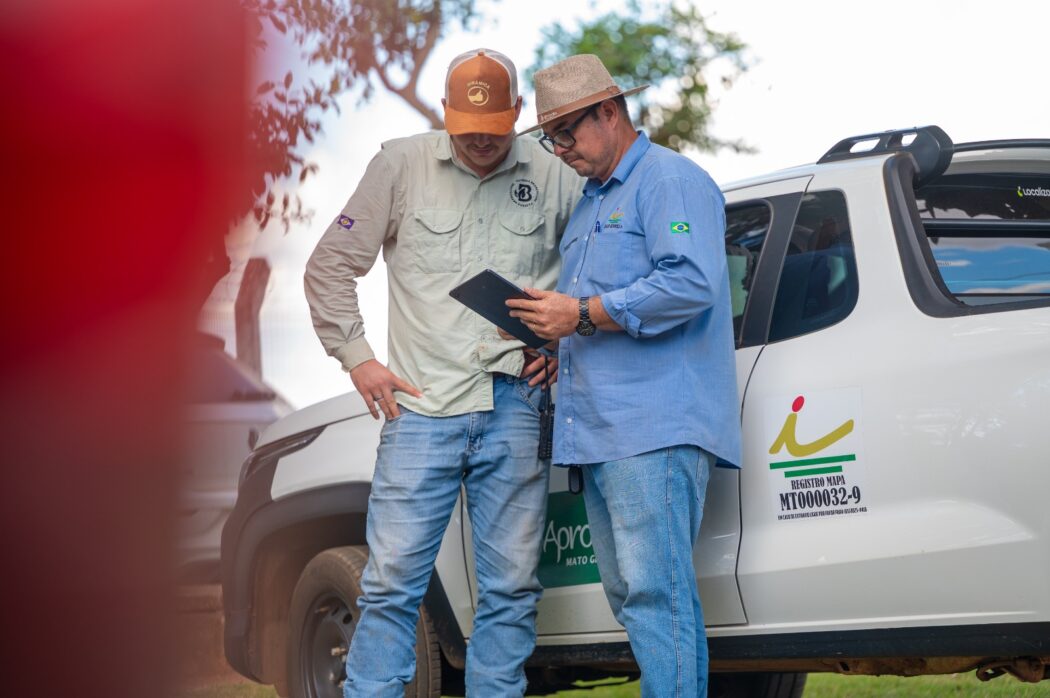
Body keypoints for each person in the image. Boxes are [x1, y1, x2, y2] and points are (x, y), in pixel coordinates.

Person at [304, 49, 581, 696]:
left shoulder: (554, 173)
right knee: (393, 580)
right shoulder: (399, 164)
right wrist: (359, 358)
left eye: (494, 126)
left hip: (517, 404)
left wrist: (566, 349)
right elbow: (330, 264)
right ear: (447, 116)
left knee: (511, 586)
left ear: (517, 115)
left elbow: (594, 273)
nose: (481, 140)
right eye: (466, 127)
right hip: (420, 410)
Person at [506, 54, 742, 698]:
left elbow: (691, 282)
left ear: (609, 112)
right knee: (635, 595)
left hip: (654, 428)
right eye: (549, 138)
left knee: (654, 593)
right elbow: (600, 316)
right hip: (601, 432)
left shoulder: (669, 179)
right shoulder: (588, 206)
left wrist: (577, 311)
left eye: (566, 134)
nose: (558, 151)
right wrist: (555, 339)